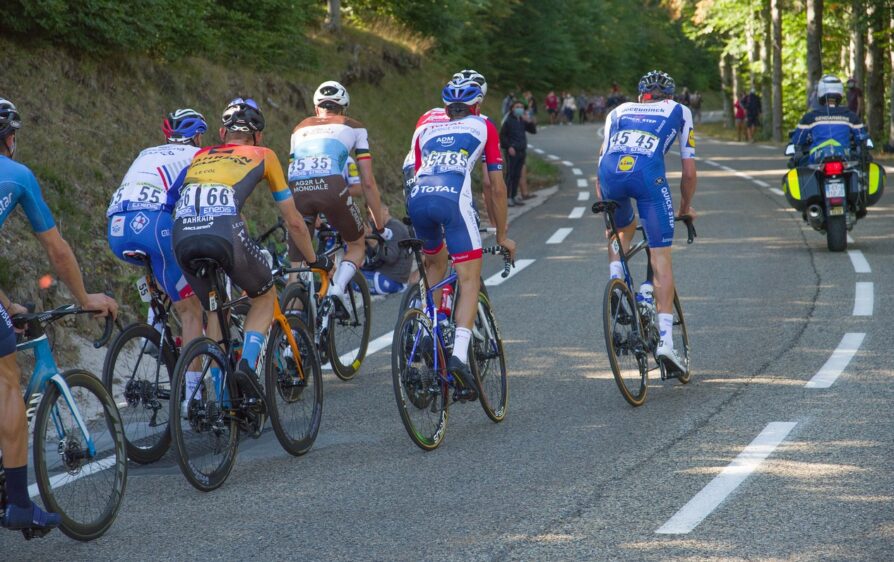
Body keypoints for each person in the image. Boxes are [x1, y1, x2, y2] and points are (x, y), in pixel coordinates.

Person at [0, 98, 117, 534]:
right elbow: (56, 248)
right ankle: (19, 506)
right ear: (9, 138)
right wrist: (84, 296)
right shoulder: (16, 175)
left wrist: (8, 305)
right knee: (7, 387)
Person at [170, 97, 329, 406]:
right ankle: (248, 365)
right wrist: (313, 260)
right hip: (224, 234)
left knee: (216, 310)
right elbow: (294, 221)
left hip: (182, 237)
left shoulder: (199, 155)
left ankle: (222, 402)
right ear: (258, 136)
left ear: (221, 132)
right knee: (265, 298)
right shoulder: (264, 155)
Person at [408, 78, 517, 398]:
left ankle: (430, 325)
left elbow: (417, 172)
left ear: (445, 108)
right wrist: (502, 234)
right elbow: (494, 187)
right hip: (452, 200)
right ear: (477, 107)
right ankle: (457, 356)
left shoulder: (426, 129)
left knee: (434, 262)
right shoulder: (484, 126)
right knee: (469, 278)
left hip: (418, 199)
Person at [594, 71, 697, 374]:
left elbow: (601, 161)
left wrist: (609, 218)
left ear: (641, 96)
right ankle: (666, 341)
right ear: (670, 95)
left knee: (621, 229)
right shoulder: (679, 111)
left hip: (610, 175)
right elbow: (688, 171)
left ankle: (617, 283)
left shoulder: (618, 111)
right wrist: (685, 207)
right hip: (647, 179)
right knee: (660, 257)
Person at [106, 109, 206, 375]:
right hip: (151, 224)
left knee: (159, 263)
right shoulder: (198, 156)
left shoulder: (146, 153)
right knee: (191, 308)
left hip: (116, 228)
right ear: (197, 137)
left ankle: (155, 322)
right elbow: (198, 206)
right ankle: (193, 394)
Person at [288, 81, 392, 314]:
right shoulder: (354, 126)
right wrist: (379, 225)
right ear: (344, 109)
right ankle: (337, 288)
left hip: (296, 190)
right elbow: (367, 182)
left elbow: (294, 170)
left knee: (296, 267)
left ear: (316, 109)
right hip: (332, 186)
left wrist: (308, 215)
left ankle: (291, 336)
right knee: (356, 244)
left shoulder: (299, 128)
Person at [790, 75, 868, 168]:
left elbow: (798, 140)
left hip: (816, 160)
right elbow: (862, 138)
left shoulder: (810, 117)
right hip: (845, 158)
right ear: (840, 92)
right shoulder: (851, 116)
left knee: (798, 164)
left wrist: (796, 152)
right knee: (861, 164)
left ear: (820, 92)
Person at [361, 205, 412, 295]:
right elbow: (373, 257)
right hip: (383, 275)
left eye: (373, 212)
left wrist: (371, 240)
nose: (371, 218)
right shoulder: (378, 227)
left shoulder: (395, 227)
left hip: (390, 281)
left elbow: (391, 257)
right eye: (368, 214)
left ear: (385, 210)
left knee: (349, 278)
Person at [500, 100, 537, 206]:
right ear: (512, 109)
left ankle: (514, 195)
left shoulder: (522, 120)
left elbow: (533, 131)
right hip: (512, 151)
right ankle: (507, 197)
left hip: (521, 151)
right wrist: (509, 146)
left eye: (521, 107)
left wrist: (529, 121)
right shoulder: (508, 121)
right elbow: (502, 137)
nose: (520, 109)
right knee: (510, 174)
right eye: (517, 107)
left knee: (517, 175)